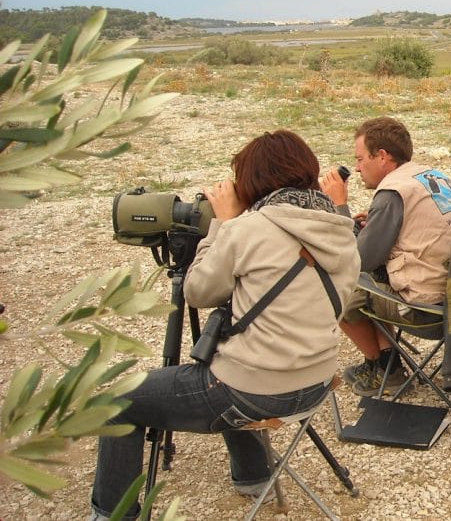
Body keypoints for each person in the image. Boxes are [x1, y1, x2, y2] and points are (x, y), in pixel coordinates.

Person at [90, 130, 360, 520]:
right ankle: (254, 477)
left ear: (251, 182)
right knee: (242, 353)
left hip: (254, 392)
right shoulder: (340, 229)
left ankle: (111, 514)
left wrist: (223, 226)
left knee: (117, 400)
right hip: (316, 383)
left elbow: (198, 292)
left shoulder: (247, 230)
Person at [320, 116, 451, 396]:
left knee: (334, 286)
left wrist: (338, 207)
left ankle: (382, 365)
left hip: (426, 311)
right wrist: (376, 222)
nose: (356, 167)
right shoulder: (430, 176)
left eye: (360, 158)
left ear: (382, 156)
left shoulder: (392, 194)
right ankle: (387, 362)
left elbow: (357, 261)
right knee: (372, 279)